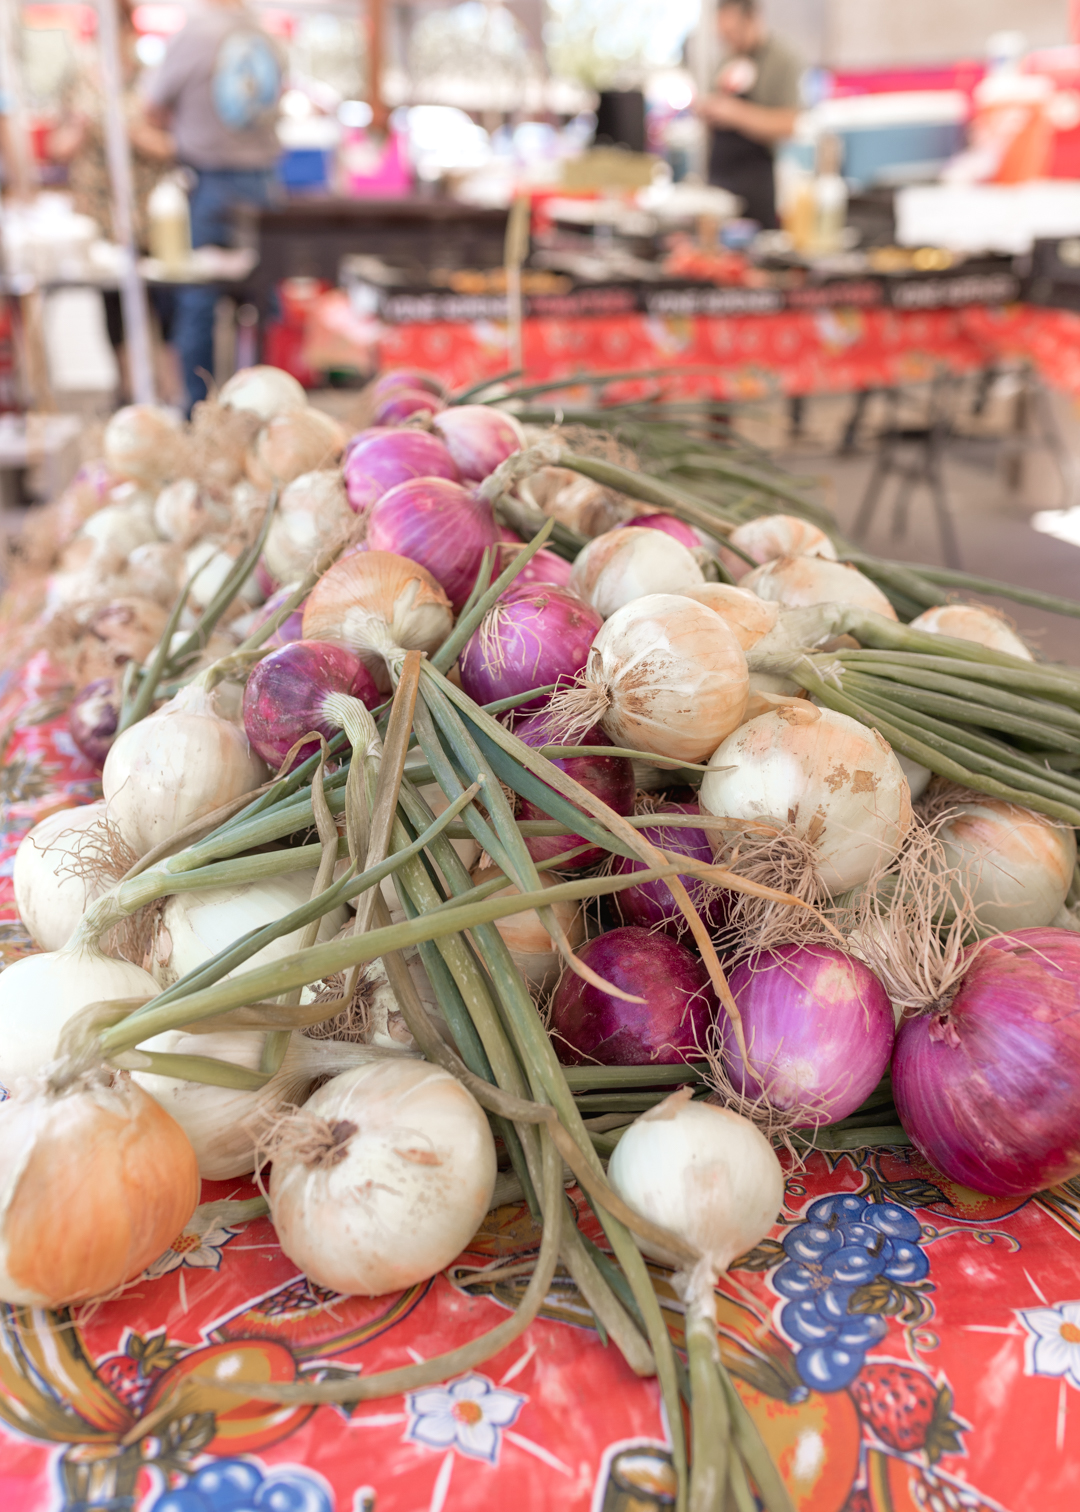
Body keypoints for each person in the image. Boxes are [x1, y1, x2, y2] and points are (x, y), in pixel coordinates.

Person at [143, 0, 283, 413]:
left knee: (199, 301)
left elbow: (152, 107)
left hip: (210, 184)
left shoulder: (193, 34)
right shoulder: (267, 35)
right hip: (266, 188)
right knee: (262, 309)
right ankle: (268, 415)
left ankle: (198, 417)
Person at [48, 2, 178, 397]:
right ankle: (127, 389)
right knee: (113, 304)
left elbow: (173, 145)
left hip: (151, 213)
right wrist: (78, 130)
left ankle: (169, 389)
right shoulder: (79, 81)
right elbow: (57, 147)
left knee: (163, 301)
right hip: (100, 215)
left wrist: (136, 134)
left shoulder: (152, 80)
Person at [696, 0, 802, 230]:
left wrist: (736, 113)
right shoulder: (727, 59)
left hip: (756, 183)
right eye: (724, 36)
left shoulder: (781, 59)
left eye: (734, 33)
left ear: (753, 18)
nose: (729, 41)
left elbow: (789, 124)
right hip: (720, 179)